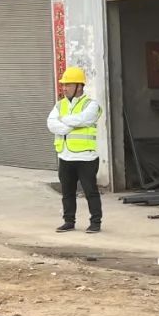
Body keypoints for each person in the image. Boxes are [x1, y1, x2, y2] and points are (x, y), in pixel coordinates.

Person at [48, 67, 103, 233]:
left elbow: (85, 119)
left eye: (68, 85)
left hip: (86, 157)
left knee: (90, 192)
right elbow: (51, 124)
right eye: (64, 85)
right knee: (67, 193)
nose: (64, 88)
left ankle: (95, 222)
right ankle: (69, 221)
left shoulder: (91, 105)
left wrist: (63, 120)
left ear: (79, 86)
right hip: (65, 156)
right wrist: (70, 126)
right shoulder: (60, 105)